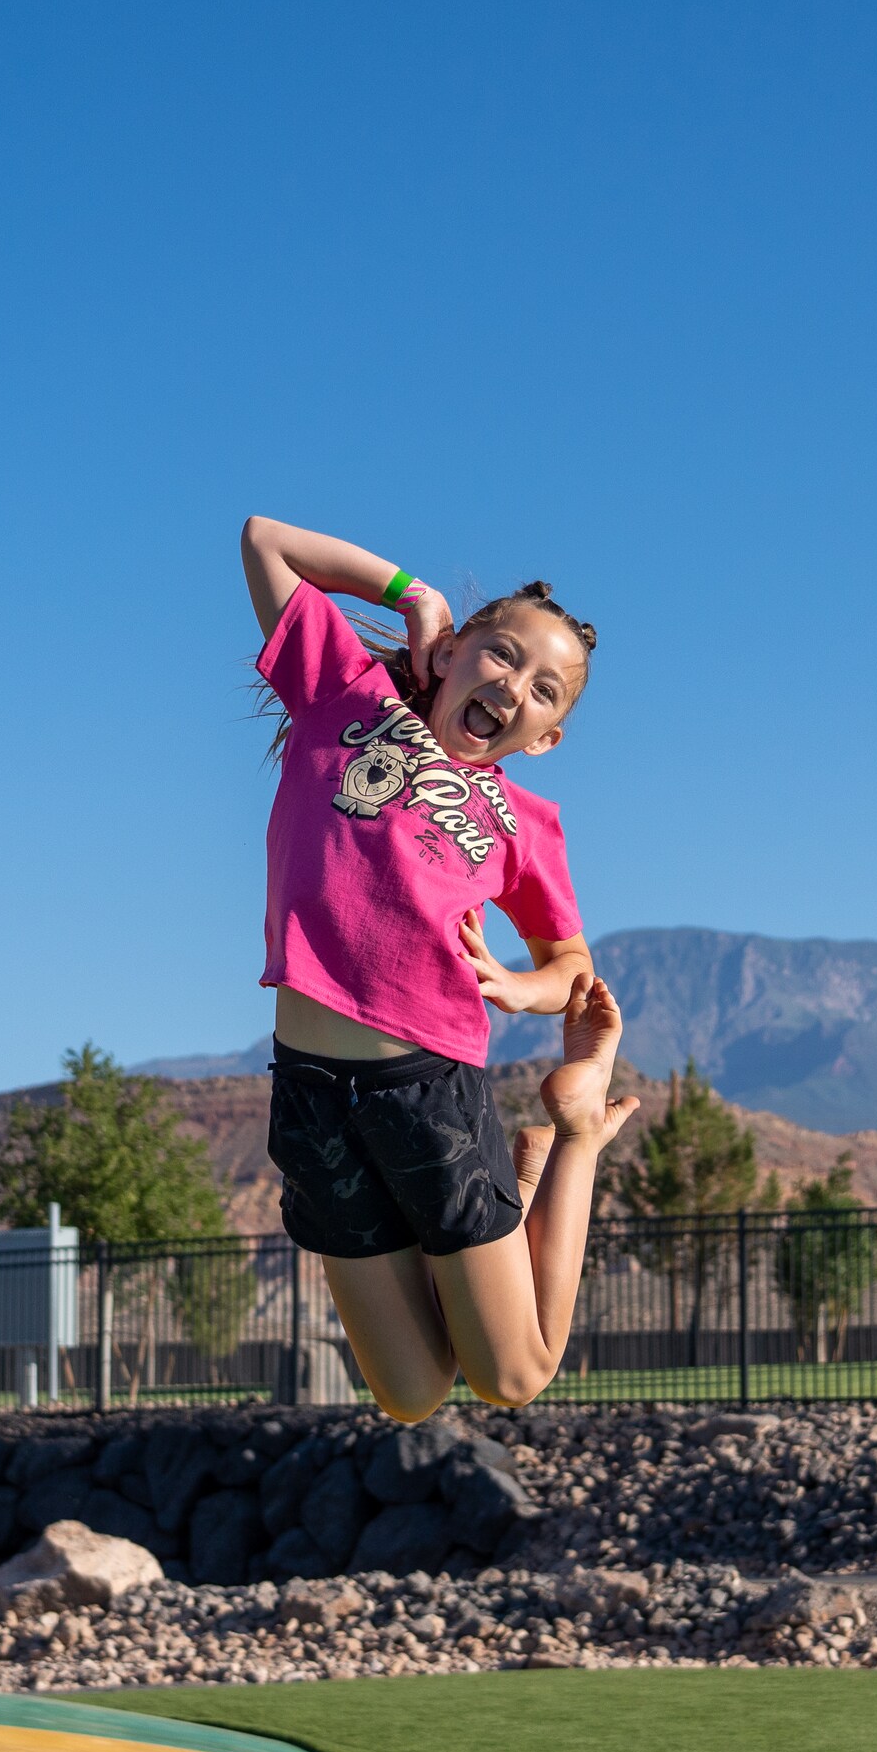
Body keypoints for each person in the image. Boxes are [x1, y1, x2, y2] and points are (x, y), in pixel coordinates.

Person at [241, 512, 637, 1419]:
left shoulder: (524, 826)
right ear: (452, 652)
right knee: (411, 1394)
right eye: (500, 656)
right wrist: (413, 597)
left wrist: (514, 987)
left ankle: (569, 1142)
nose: (513, 687)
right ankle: (517, 1186)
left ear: (544, 739)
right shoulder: (342, 695)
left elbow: (569, 964)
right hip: (309, 1094)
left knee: (512, 1379)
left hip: (427, 1093)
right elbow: (266, 539)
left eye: (544, 691)